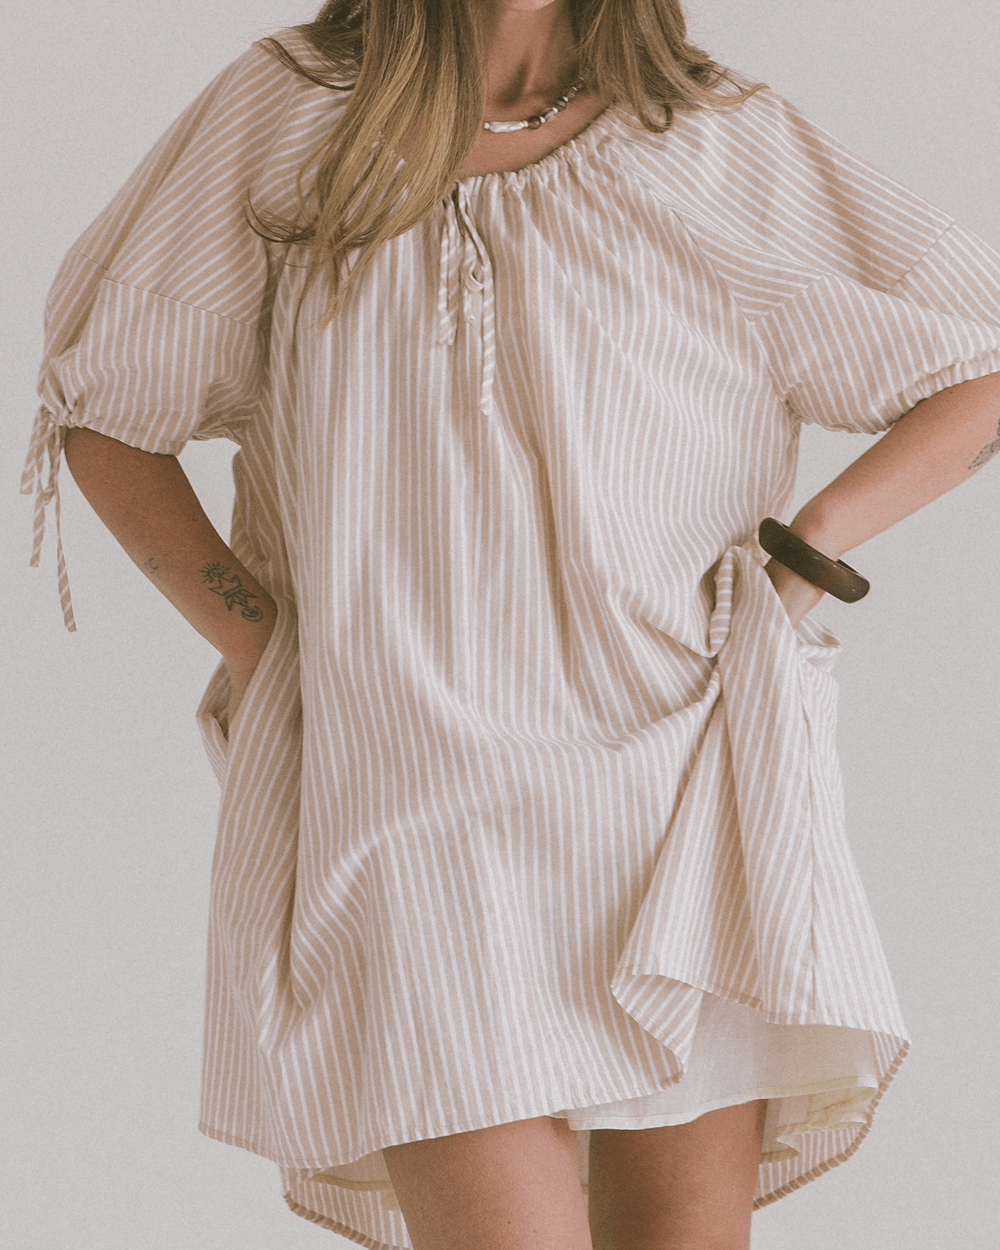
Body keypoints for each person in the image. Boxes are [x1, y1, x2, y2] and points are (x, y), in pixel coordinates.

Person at [22, 1, 1000, 1247]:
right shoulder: (290, 113)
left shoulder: (712, 136)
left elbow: (976, 362)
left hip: (682, 778)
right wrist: (270, 652)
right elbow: (108, 411)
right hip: (407, 798)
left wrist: (804, 555)